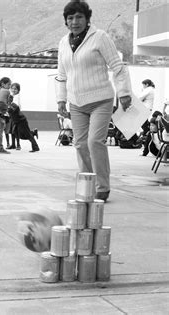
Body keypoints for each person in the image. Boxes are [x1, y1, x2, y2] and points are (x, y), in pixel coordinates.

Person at [56, 0, 132, 202]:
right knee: (80, 144)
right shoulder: (63, 43)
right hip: (76, 102)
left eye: (79, 17)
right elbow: (61, 75)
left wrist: (124, 92)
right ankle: (87, 185)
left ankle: (102, 187)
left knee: (94, 142)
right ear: (66, 21)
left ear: (87, 19)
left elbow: (118, 66)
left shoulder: (100, 37)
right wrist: (61, 100)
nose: (75, 22)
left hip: (100, 99)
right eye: (70, 18)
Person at [139, 79, 155, 156]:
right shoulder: (151, 89)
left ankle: (147, 132)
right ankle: (146, 132)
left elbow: (140, 97)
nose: (143, 86)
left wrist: (142, 90)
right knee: (144, 125)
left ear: (147, 84)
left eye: (143, 85)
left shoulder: (148, 89)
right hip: (147, 108)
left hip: (145, 109)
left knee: (144, 125)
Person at [7, 82, 21, 150]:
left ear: (18, 90)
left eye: (15, 89)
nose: (13, 90)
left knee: (16, 131)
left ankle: (18, 144)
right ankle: (13, 144)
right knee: (11, 130)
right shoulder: (11, 96)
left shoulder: (17, 97)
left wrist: (10, 106)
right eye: (12, 88)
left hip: (16, 116)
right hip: (11, 116)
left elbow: (16, 106)